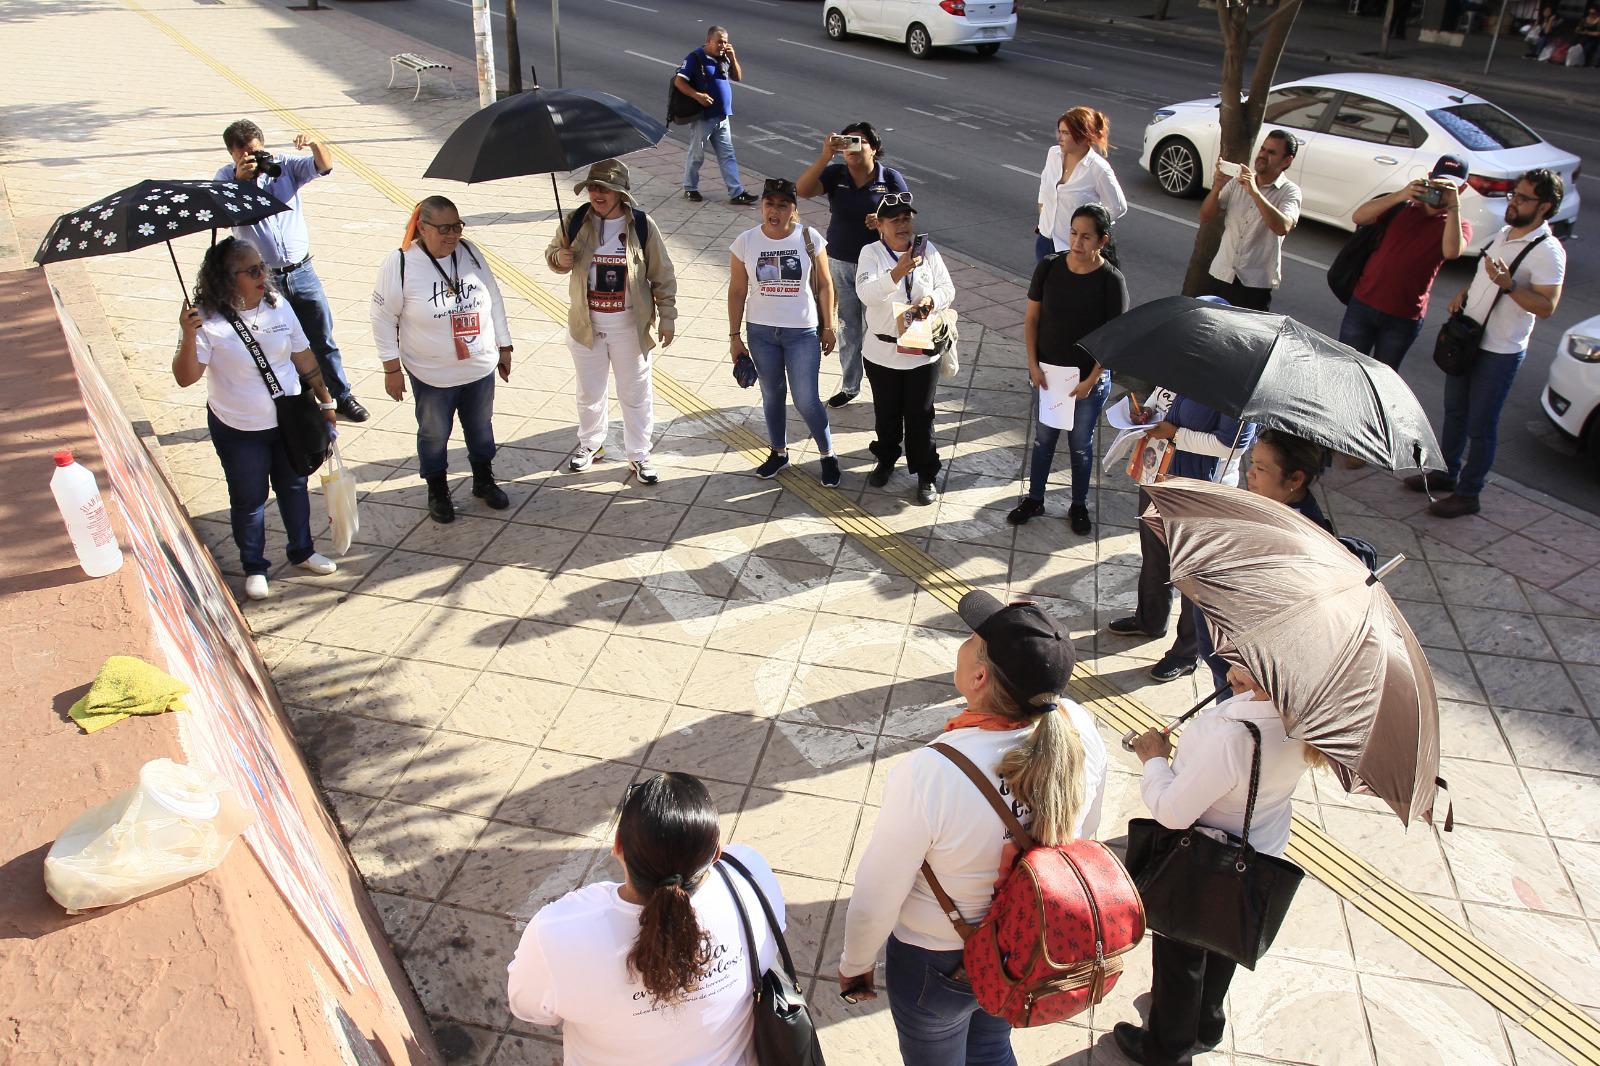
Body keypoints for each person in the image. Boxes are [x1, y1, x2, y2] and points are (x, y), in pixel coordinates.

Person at [838, 591, 1108, 1066]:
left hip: (939, 958)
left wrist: (855, 964)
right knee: (990, 1045)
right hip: (1024, 942)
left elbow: (879, 889)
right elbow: (1084, 832)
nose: (964, 642)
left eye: (972, 639)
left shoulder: (932, 771)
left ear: (980, 678)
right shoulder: (1077, 727)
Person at [1116, 664, 1325, 1066]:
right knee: (1223, 937)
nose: (1232, 671)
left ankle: (1167, 1048)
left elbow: (1173, 810)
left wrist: (1154, 760)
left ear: (1277, 673)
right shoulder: (1307, 719)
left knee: (1182, 955)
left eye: (1247, 663)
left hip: (1204, 858)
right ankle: (1206, 1022)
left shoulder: (1236, 737)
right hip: (1258, 848)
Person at [507, 772, 787, 1066]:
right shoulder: (750, 878)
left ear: (617, 846)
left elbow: (528, 1007)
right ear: (716, 853)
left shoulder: (558, 931)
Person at [173, 237, 339, 601]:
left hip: (288, 420)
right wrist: (188, 336)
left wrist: (327, 401)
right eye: (252, 271)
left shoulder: (278, 305)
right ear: (227, 278)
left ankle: (303, 551)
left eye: (261, 267)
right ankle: (254, 566)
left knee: (294, 487)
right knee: (249, 498)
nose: (263, 275)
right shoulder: (207, 320)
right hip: (239, 428)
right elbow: (186, 378)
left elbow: (304, 356)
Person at [1107, 297, 1255, 687]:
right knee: (1155, 554)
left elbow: (1232, 445)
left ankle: (1187, 653)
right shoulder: (1185, 363)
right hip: (1160, 477)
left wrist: (1176, 434)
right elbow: (1162, 401)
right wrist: (1148, 414)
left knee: (1191, 572)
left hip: (1200, 492)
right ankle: (1149, 619)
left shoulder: (1235, 381)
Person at [1406, 168, 1566, 519]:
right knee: (1455, 411)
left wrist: (1509, 286)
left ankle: (1469, 493)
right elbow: (1484, 274)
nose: (1514, 203)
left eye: (1523, 198)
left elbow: (1547, 306)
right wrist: (1466, 293)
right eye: (1514, 195)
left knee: (1481, 424)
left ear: (1545, 206)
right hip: (1468, 338)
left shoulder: (1548, 251)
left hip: (1500, 351)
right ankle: (1447, 473)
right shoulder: (1506, 233)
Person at [370, 196, 515, 525]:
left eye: (458, 226)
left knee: (480, 429)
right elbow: (381, 318)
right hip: (432, 374)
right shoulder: (401, 263)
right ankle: (437, 490)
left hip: (478, 367)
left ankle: (484, 481)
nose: (453, 235)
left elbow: (492, 297)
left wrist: (504, 345)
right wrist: (391, 368)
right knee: (434, 434)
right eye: (445, 228)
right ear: (423, 227)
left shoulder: (471, 253)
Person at [215, 119, 367, 423]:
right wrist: (241, 182)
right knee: (278, 341)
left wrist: (314, 143)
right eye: (245, 156)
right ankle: (299, 400)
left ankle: (343, 396)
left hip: (302, 271)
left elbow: (323, 165)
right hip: (263, 279)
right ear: (233, 154)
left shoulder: (282, 166)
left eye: (257, 152)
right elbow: (223, 218)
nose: (255, 160)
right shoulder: (225, 180)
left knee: (322, 338)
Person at [544, 159, 678, 485]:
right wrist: (558, 259)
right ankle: (591, 444)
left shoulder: (643, 225)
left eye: (605, 188)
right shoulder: (575, 220)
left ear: (621, 193)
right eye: (592, 187)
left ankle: (639, 454)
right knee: (589, 393)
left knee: (636, 394)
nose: (597, 194)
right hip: (585, 326)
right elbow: (552, 256)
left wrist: (668, 317)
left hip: (629, 328)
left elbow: (663, 275)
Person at [1009, 204, 1127, 536]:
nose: (1077, 242)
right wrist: (1033, 365)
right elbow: (1032, 319)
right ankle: (1035, 498)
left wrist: (1092, 379)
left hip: (1086, 382)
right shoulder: (1049, 267)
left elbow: (1113, 339)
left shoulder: (1111, 281)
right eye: (1074, 233)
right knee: (1043, 439)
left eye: (1086, 236)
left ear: (1102, 240)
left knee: (1080, 444)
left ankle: (1078, 505)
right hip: (1047, 375)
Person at [729, 178, 842, 487]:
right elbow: (737, 291)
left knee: (806, 399)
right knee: (772, 394)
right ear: (762, 206)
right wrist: (734, 337)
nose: (774, 211)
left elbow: (825, 284)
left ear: (794, 209)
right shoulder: (745, 242)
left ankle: (827, 454)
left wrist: (829, 325)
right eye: (769, 204)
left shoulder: (809, 237)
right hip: (761, 332)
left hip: (802, 332)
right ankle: (778, 452)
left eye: (782, 205)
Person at [798, 122, 910, 409]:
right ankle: (850, 385)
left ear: (874, 147)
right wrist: (825, 154)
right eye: (846, 143)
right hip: (841, 262)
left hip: (877, 267)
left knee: (880, 327)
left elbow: (905, 223)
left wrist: (883, 222)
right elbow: (803, 190)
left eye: (858, 142)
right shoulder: (836, 174)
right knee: (848, 328)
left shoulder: (891, 179)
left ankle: (886, 386)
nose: (851, 148)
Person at [857, 193, 955, 506]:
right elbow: (866, 294)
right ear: (880, 226)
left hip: (920, 350)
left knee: (921, 416)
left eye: (906, 218)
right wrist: (897, 272)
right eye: (895, 220)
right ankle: (886, 458)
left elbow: (947, 288)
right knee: (886, 414)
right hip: (882, 352)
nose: (903, 224)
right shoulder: (871, 253)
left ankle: (926, 473)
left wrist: (931, 302)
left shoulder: (928, 251)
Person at [1339, 156, 1471, 371]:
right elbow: (1359, 217)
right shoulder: (1402, 207)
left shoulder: (1458, 225)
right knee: (1346, 369)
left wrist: (1454, 207)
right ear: (1429, 179)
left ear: (1462, 189)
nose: (1441, 192)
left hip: (1403, 318)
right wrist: (1402, 194)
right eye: (1438, 185)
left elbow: (1452, 251)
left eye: (1450, 188)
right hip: (1363, 304)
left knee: (1382, 379)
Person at [1199, 131, 1302, 312]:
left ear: (1287, 161)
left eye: (1271, 152)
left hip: (1255, 284)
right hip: (1222, 274)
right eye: (1262, 149)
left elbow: (1283, 227)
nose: (1262, 155)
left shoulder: (1290, 192)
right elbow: (1206, 215)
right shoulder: (1237, 183)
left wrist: (1255, 193)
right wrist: (1217, 187)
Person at [675, 26, 759, 206]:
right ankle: (690, 188)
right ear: (708, 41)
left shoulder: (724, 58)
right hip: (703, 118)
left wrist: (733, 57)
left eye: (725, 42)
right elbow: (679, 81)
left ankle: (737, 193)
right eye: (719, 41)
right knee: (697, 155)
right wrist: (697, 96)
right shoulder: (695, 58)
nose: (723, 45)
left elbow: (737, 77)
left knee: (728, 155)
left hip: (722, 117)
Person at [1034, 107, 1128, 263]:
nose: (1060, 138)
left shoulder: (1098, 168)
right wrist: (1044, 218)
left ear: (1084, 137)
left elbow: (1118, 207)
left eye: (1066, 133)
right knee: (1043, 287)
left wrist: (1090, 230)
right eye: (1059, 131)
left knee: (1066, 288)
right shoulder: (1053, 154)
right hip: (1045, 242)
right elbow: (1044, 188)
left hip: (1073, 251)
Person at [1245, 429, 1333, 532]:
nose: (1249, 473)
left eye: (1260, 468)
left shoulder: (1293, 534)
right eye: (1252, 462)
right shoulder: (1274, 504)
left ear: (1295, 479)